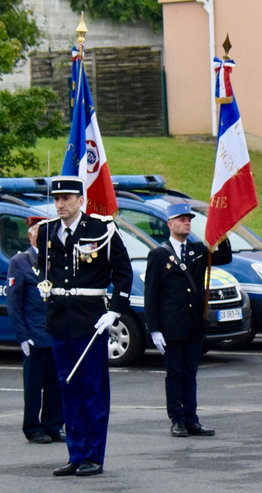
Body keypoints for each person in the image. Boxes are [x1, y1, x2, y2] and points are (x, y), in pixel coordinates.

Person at [37, 176, 133, 477]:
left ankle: (94, 455)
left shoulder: (101, 229)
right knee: (69, 390)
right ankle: (76, 454)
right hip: (59, 321)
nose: (60, 204)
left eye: (66, 199)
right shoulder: (47, 231)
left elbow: (124, 274)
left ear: (81, 200)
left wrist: (115, 310)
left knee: (93, 391)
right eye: (56, 199)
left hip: (90, 322)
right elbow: (44, 269)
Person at [144, 203, 232, 438]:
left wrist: (222, 232)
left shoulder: (197, 250)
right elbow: (151, 295)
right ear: (170, 224)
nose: (186, 223)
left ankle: (192, 418)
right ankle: (177, 419)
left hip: (193, 323)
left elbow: (224, 256)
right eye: (181, 219)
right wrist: (154, 329)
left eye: (189, 219)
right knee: (175, 373)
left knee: (190, 373)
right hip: (171, 326)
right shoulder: (158, 255)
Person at [7, 216, 64, 444]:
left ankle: (53, 424)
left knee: (56, 384)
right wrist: (22, 336)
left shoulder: (55, 260)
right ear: (31, 234)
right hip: (34, 334)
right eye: (41, 231)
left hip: (56, 333)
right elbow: (14, 302)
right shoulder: (20, 261)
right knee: (33, 385)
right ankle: (32, 427)